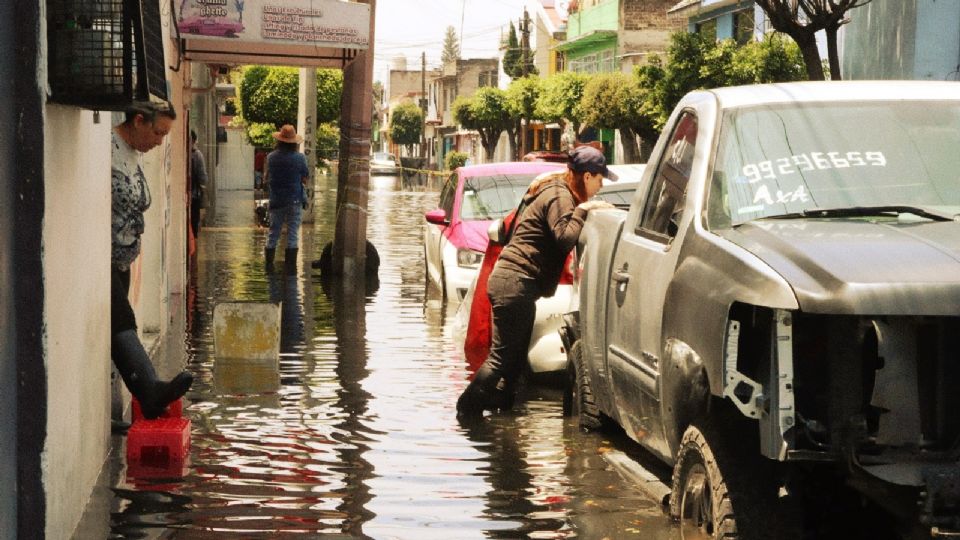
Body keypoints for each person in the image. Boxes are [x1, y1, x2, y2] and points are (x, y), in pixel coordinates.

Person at [456, 145, 615, 420]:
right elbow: (565, 237)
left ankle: (500, 419)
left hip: (515, 284)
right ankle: (465, 410)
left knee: (514, 363)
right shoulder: (560, 196)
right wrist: (585, 209)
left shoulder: (558, 191)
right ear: (587, 176)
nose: (600, 187)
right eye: (600, 180)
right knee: (501, 360)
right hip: (514, 283)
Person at [112, 101, 193, 420]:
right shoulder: (109, 148)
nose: (160, 141)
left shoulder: (133, 154)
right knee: (122, 323)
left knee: (114, 334)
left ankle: (136, 404)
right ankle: (150, 389)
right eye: (158, 132)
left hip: (123, 259)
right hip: (103, 258)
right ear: (138, 120)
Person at [262, 124, 310, 274]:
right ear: (294, 142)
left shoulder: (271, 157)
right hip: (294, 200)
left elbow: (265, 178)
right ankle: (291, 272)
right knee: (293, 234)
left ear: (279, 141)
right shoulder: (300, 158)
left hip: (276, 200)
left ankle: (269, 268)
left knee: (273, 233)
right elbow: (305, 178)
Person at [189, 129, 208, 238]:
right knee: (194, 232)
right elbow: (203, 178)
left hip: (192, 197)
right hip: (194, 197)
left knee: (193, 232)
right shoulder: (197, 155)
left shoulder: (195, 155)